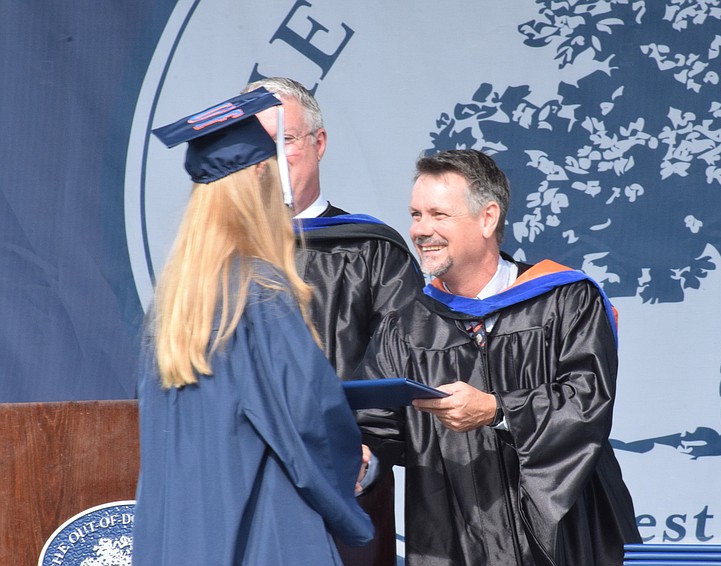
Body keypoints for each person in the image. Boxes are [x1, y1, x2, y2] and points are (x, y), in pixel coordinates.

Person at [357, 149, 641, 565]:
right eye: (416, 214)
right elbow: (378, 426)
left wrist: (496, 409)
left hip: (562, 537)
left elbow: (586, 402)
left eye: (438, 215)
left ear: (488, 218)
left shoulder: (565, 300)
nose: (420, 230)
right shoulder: (406, 326)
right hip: (455, 538)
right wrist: (362, 456)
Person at [132, 88, 374, 565]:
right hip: (261, 532)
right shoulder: (259, 294)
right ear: (259, 176)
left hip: (177, 537)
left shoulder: (176, 308)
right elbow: (310, 418)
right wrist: (358, 464)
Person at [242, 77, 424, 565]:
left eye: (285, 141)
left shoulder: (370, 250)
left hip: (346, 483)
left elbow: (400, 360)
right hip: (239, 485)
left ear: (318, 144)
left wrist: (366, 448)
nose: (271, 159)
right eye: (255, 145)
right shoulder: (217, 258)